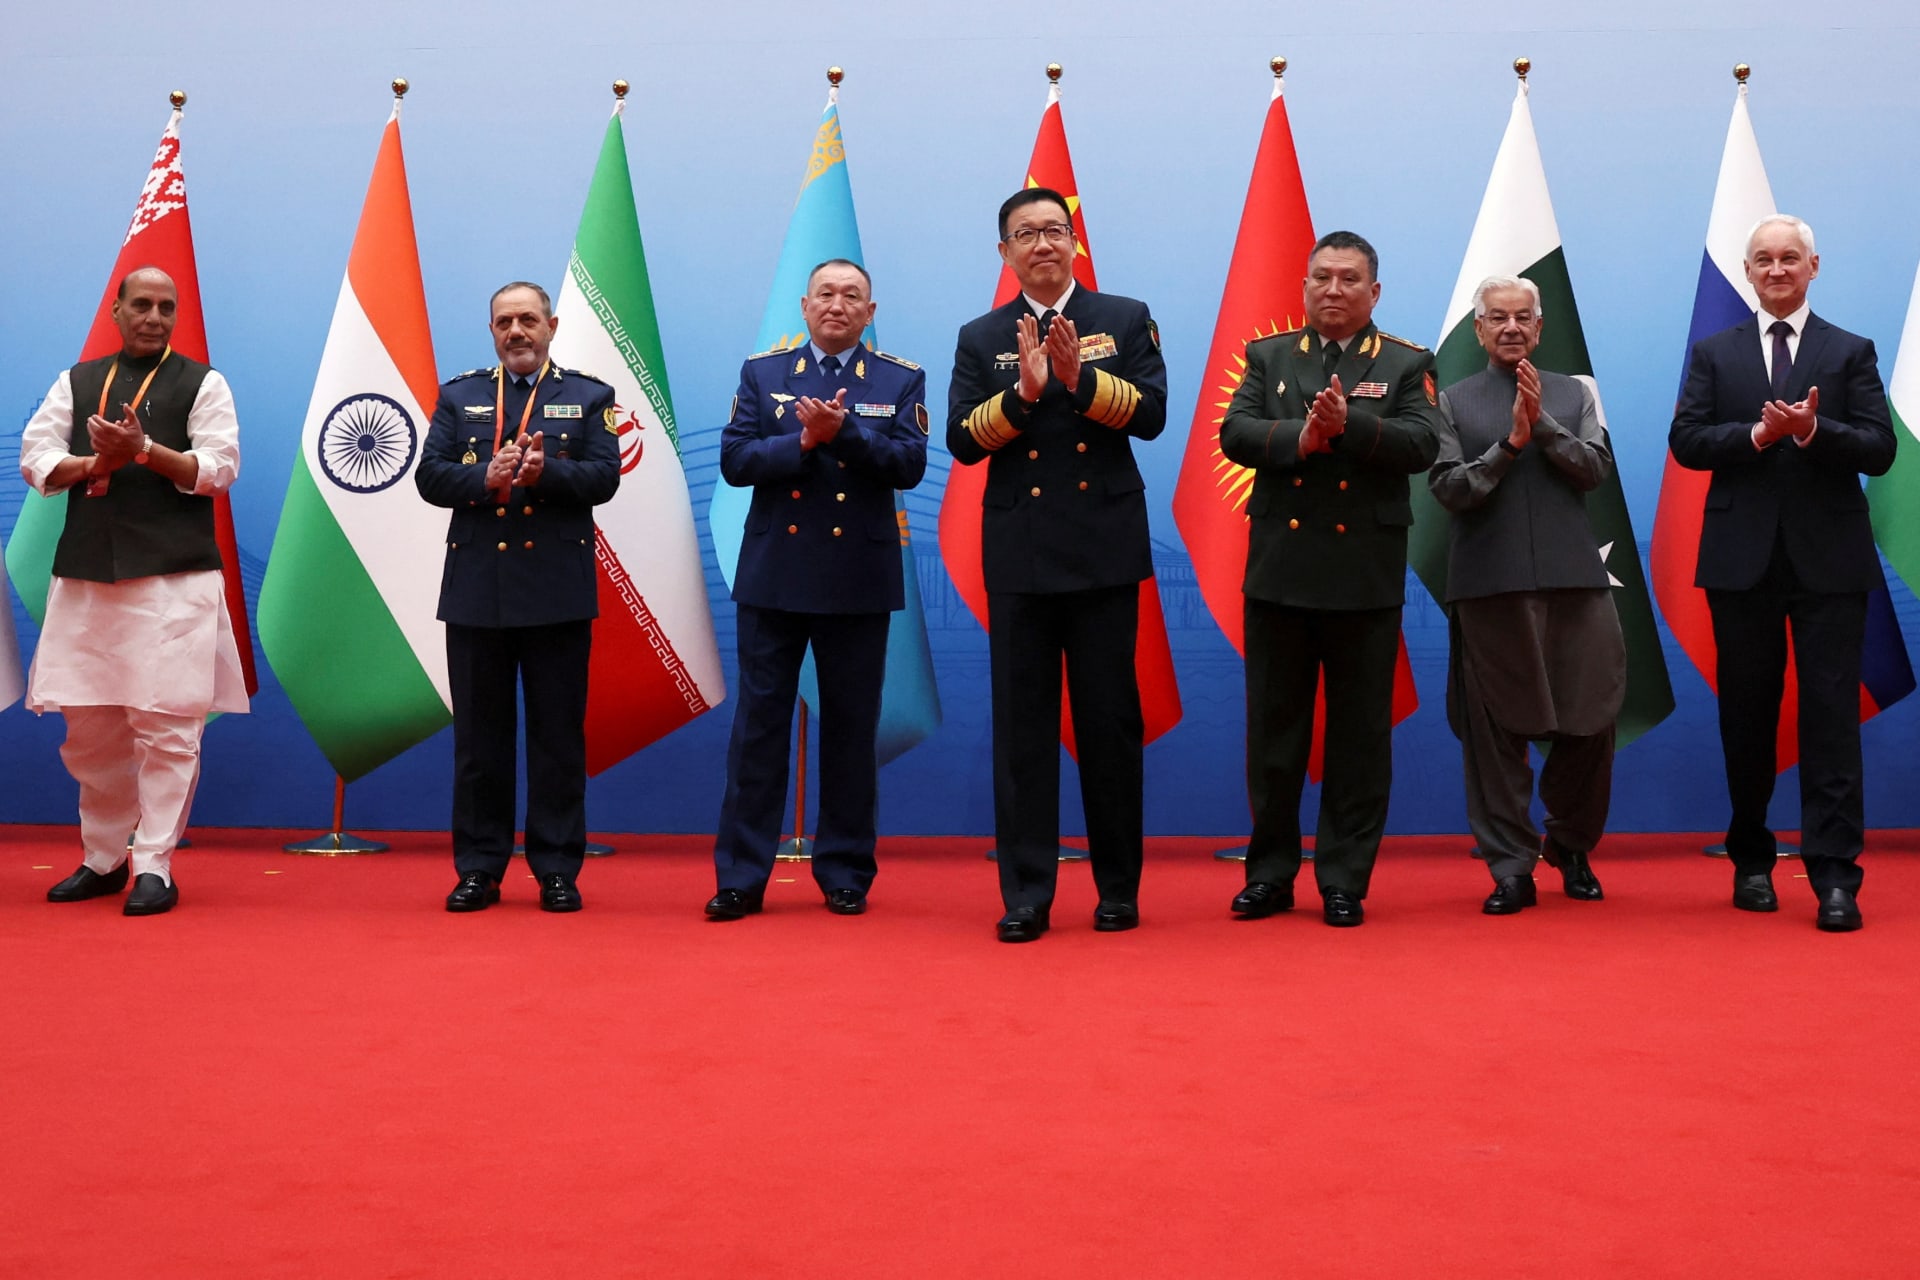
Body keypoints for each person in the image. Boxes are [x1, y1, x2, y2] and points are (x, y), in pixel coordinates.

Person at [948, 187, 1168, 943]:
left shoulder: (1124, 318)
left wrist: (1081, 381)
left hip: (1103, 551)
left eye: (1054, 230)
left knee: (1110, 726)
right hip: (1020, 555)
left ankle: (1117, 890)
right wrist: (1025, 392)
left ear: (1074, 242)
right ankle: (1028, 894)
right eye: (1024, 234)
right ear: (1003, 253)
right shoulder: (981, 336)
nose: (1041, 244)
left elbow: (1152, 414)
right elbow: (962, 441)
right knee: (1024, 733)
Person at [1669, 214, 1894, 933]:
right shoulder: (1714, 352)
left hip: (1829, 563)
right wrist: (1760, 435)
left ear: (1814, 266)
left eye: (1789, 258)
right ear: (1747, 269)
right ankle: (1752, 861)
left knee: (1832, 723)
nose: (1776, 270)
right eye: (1763, 259)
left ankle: (1835, 876)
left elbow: (1879, 449)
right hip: (1742, 565)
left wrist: (1814, 432)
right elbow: (1688, 441)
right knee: (1747, 719)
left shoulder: (1849, 350)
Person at [1218, 230, 1441, 927]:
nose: (1333, 291)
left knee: (1358, 739)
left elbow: (1423, 444)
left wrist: (1347, 430)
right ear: (1305, 287)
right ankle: (1271, 875)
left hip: (1361, 578)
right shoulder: (1269, 355)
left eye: (1349, 280)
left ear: (1374, 293)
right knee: (1275, 737)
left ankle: (1344, 878)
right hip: (1280, 574)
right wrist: (1301, 439)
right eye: (1321, 278)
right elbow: (1236, 433)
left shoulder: (1407, 362)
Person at [21, 266, 248, 916]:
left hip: (175, 581)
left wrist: (145, 449)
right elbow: (36, 458)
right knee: (89, 730)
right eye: (141, 304)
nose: (154, 316)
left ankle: (155, 865)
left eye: (165, 307)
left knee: (169, 728)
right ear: (117, 311)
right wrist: (98, 463)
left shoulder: (204, 383)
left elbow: (217, 468)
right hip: (90, 578)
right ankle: (103, 858)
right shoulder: (77, 380)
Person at [704, 260, 928, 920]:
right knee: (759, 732)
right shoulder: (763, 374)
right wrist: (801, 442)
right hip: (776, 577)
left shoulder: (898, 378)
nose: (837, 305)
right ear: (804, 307)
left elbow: (910, 465)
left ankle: (845, 871)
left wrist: (847, 435)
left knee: (852, 733)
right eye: (825, 294)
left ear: (870, 309)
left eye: (851, 296)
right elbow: (736, 460)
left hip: (857, 578)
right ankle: (742, 875)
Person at [416, 281, 620, 913]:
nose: (516, 332)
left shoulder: (589, 396)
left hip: (556, 593)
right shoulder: (460, 396)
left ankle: (557, 868)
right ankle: (479, 867)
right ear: (492, 331)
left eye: (528, 320)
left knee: (558, 740)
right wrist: (486, 477)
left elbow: (605, 477)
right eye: (504, 322)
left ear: (551, 326)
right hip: (478, 592)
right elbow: (428, 476)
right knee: (480, 741)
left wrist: (545, 473)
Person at [1429, 276, 1623, 915]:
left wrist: (1542, 428)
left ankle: (1569, 844)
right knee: (1495, 737)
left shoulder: (1575, 395)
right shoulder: (1451, 402)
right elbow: (1450, 490)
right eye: (1497, 318)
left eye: (1523, 318)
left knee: (1591, 718)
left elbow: (1595, 471)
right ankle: (1510, 866)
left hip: (1576, 581)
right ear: (1479, 330)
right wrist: (1509, 444)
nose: (1511, 328)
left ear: (1540, 329)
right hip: (1490, 585)